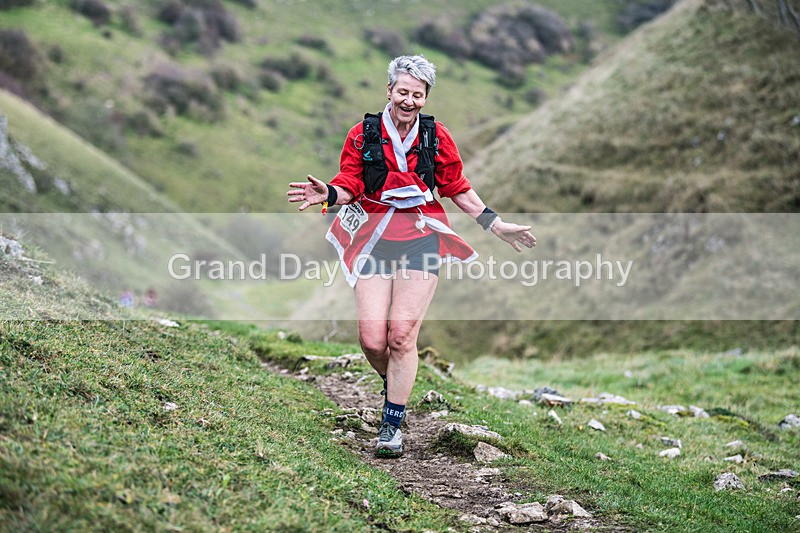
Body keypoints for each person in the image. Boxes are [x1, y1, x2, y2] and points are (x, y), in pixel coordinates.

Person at [288, 55, 535, 458]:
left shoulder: (435, 137)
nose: (409, 100)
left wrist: (495, 223)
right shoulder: (363, 134)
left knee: (401, 336)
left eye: (417, 95)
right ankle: (396, 381)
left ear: (425, 97)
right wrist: (329, 193)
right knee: (373, 340)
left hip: (420, 239)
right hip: (374, 240)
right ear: (389, 90)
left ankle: (392, 423)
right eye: (402, 91)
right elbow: (350, 182)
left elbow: (456, 186)